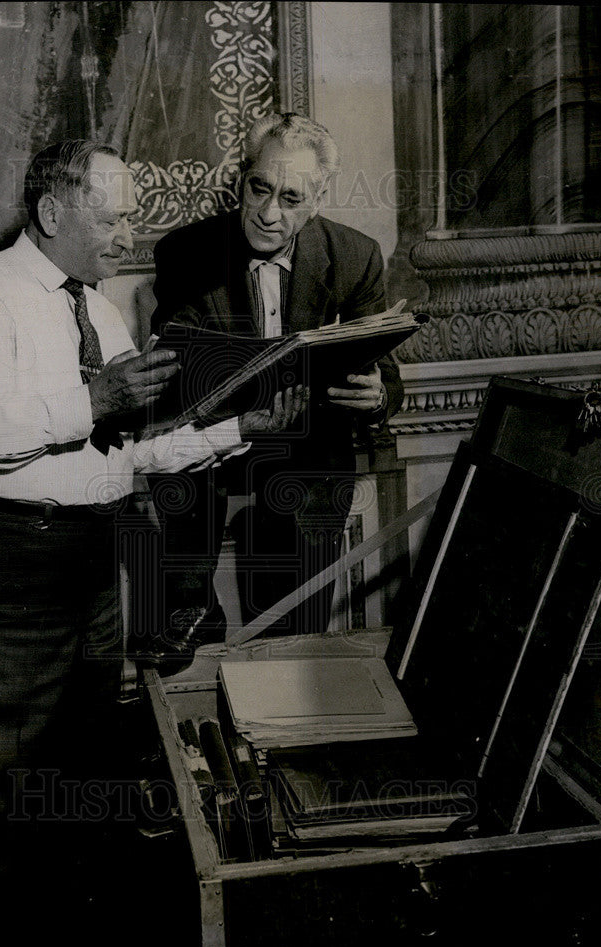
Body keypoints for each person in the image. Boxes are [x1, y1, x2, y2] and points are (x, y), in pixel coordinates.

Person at [0, 139, 307, 947]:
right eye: (111, 217)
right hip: (1, 569)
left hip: (87, 560)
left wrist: (236, 432)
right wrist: (96, 398)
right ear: (51, 214)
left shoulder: (102, 311)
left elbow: (126, 456)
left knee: (78, 772)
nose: (126, 233)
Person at [140, 113, 404, 665]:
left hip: (306, 455)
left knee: (293, 633)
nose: (268, 213)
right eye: (259, 188)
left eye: (290, 198)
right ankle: (192, 625)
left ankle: (291, 661)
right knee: (182, 484)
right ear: (241, 178)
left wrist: (376, 395)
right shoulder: (186, 253)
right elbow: (180, 371)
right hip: (216, 446)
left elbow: (385, 369)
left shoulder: (355, 257)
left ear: (318, 197)